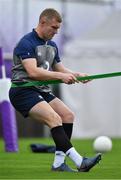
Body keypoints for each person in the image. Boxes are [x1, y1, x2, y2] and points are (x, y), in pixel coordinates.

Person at [9, 8, 101, 172]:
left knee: (67, 115)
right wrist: (60, 77)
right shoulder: (26, 43)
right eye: (54, 28)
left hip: (41, 90)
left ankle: (58, 164)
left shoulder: (52, 45)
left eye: (58, 28)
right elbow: (33, 72)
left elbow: (60, 68)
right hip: (23, 90)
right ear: (42, 22)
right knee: (54, 118)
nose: (56, 32)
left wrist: (77, 75)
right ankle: (80, 162)